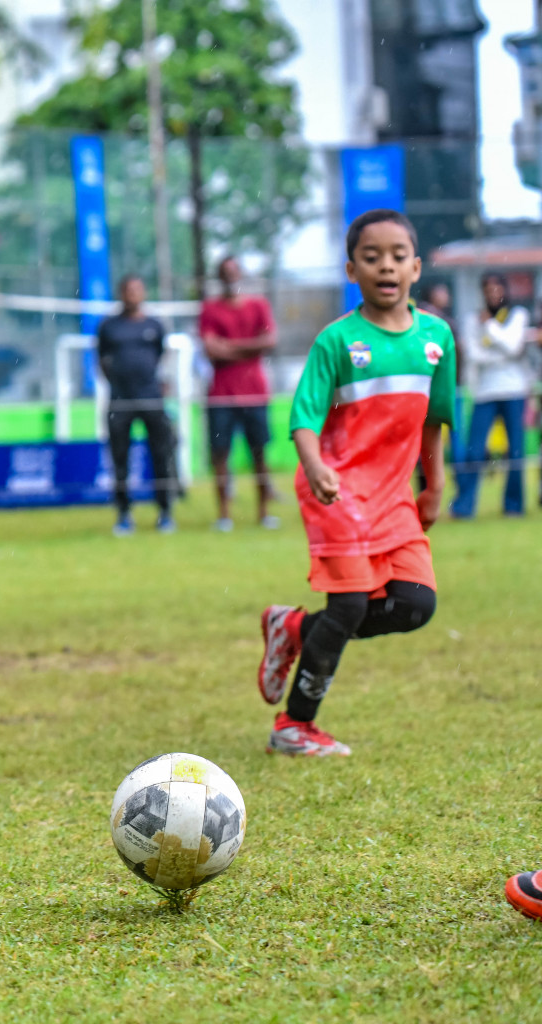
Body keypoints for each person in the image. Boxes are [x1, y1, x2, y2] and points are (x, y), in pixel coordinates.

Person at [254, 209, 453, 757]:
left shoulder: (436, 337)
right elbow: (304, 417)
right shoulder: (336, 342)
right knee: (348, 607)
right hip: (335, 491)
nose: (385, 266)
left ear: (415, 267)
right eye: (371, 257)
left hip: (392, 498)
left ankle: (294, 629)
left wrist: (433, 485)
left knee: (415, 604)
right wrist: (315, 466)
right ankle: (295, 725)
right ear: (351, 270)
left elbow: (435, 420)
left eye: (396, 256)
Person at [199, 256, 279, 531]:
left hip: (254, 392)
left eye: (234, 272)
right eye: (225, 273)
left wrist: (229, 347)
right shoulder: (210, 309)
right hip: (221, 394)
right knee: (220, 454)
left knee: (259, 453)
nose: (231, 277)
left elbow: (270, 341)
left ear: (241, 275)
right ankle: (223, 515)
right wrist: (250, 347)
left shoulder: (259, 305)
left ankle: (264, 512)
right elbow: (210, 349)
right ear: (219, 277)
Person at [95, 274, 177, 536]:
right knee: (120, 459)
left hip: (151, 397)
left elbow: (161, 355)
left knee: (161, 455)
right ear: (121, 293)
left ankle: (164, 512)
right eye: (128, 290)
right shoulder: (109, 326)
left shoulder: (155, 324)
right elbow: (100, 360)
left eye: (137, 290)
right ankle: (123, 514)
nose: (133, 294)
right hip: (120, 400)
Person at [450, 273, 531, 519]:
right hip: (485, 392)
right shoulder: (472, 319)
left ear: (505, 290)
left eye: (497, 288)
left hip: (515, 390)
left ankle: (513, 506)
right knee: (474, 451)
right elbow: (474, 355)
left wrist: (490, 327)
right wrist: (502, 351)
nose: (493, 293)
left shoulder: (517, 316)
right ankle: (464, 506)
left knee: (515, 451)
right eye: (488, 289)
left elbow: (514, 346)